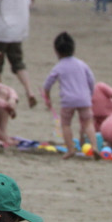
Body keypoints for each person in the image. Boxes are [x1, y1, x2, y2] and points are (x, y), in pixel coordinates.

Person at [42, 32, 96, 160]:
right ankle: (94, 147)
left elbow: (47, 84)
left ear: (56, 51)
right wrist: (90, 94)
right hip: (84, 98)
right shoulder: (82, 64)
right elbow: (91, 80)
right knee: (88, 123)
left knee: (66, 124)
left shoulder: (59, 66)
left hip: (68, 101)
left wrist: (47, 99)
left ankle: (70, 149)